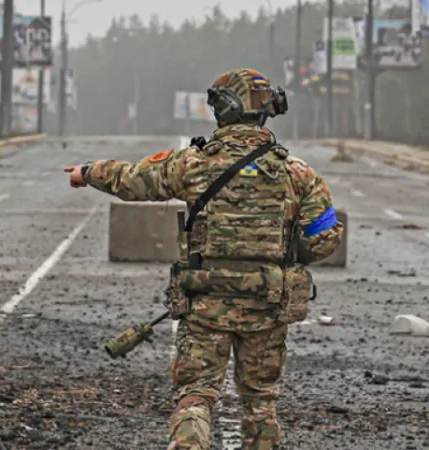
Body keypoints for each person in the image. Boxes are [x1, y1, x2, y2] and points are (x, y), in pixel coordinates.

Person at [64, 68, 343, 450]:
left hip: (205, 304)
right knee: (260, 401)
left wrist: (87, 172)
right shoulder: (297, 174)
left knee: (195, 394)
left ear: (223, 109)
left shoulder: (193, 165)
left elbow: (132, 179)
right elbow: (326, 236)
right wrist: (287, 255)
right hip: (266, 305)